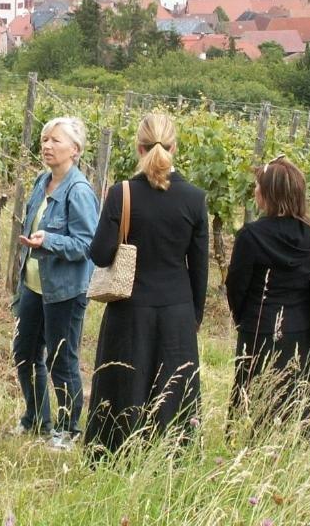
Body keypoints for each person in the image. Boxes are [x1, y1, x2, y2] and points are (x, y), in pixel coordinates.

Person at [84, 114, 208, 459]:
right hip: (177, 310)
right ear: (175, 147)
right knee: (172, 392)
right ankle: (171, 458)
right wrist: (193, 316)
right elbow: (199, 267)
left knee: (124, 386)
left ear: (138, 147)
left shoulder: (122, 193)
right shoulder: (195, 198)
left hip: (129, 308)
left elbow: (99, 253)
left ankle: (113, 456)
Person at [13, 116, 98, 450]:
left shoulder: (79, 192)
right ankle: (36, 418)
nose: (47, 145)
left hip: (64, 290)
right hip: (35, 286)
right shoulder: (41, 181)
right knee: (25, 353)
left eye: (56, 141)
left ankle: (67, 428)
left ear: (75, 151)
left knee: (62, 360)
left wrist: (48, 241)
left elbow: (87, 244)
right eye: (45, 139)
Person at [226, 155, 310, 440]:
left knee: (255, 400)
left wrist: (244, 316)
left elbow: (236, 286)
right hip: (302, 328)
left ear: (270, 193)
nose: (255, 191)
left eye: (258, 186)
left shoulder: (251, 236)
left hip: (260, 327)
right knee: (299, 398)